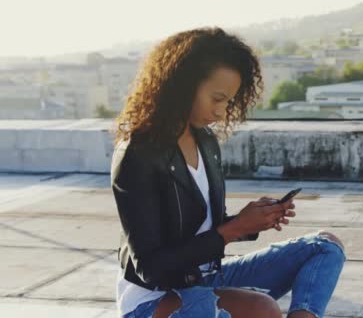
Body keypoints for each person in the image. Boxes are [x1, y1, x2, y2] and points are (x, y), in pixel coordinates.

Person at [110, 27, 347, 318]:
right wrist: (233, 229)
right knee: (263, 310)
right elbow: (151, 267)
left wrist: (249, 221)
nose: (222, 111)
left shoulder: (205, 141)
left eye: (229, 101)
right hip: (154, 299)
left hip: (204, 278)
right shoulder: (138, 154)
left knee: (325, 246)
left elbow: (206, 227)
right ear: (182, 85)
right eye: (217, 98)